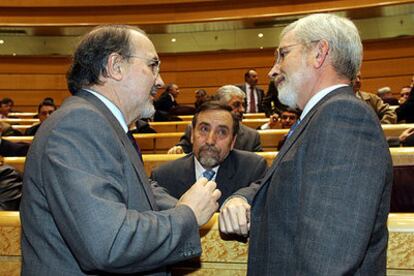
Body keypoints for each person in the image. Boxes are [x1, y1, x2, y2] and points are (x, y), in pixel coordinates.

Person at [20, 25, 221, 275]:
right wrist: (187, 214)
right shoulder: (79, 124)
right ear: (115, 66)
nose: (160, 81)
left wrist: (193, 204)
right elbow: (110, 243)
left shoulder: (101, 122)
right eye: (152, 65)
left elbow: (133, 189)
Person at [219, 13, 392, 275]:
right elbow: (280, 184)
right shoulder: (319, 116)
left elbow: (327, 258)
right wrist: (241, 198)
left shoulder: (344, 116)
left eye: (283, 54)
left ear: (319, 53)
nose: (273, 69)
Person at [152, 101, 267, 207]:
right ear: (192, 135)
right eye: (204, 129)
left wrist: (240, 198)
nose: (210, 141)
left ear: (232, 142)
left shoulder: (252, 169)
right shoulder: (163, 177)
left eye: (222, 132)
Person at [167, 85, 262, 154]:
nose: (242, 110)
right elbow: (183, 148)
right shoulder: (195, 128)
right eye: (236, 105)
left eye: (243, 105)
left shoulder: (252, 137)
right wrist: (177, 150)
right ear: (220, 105)